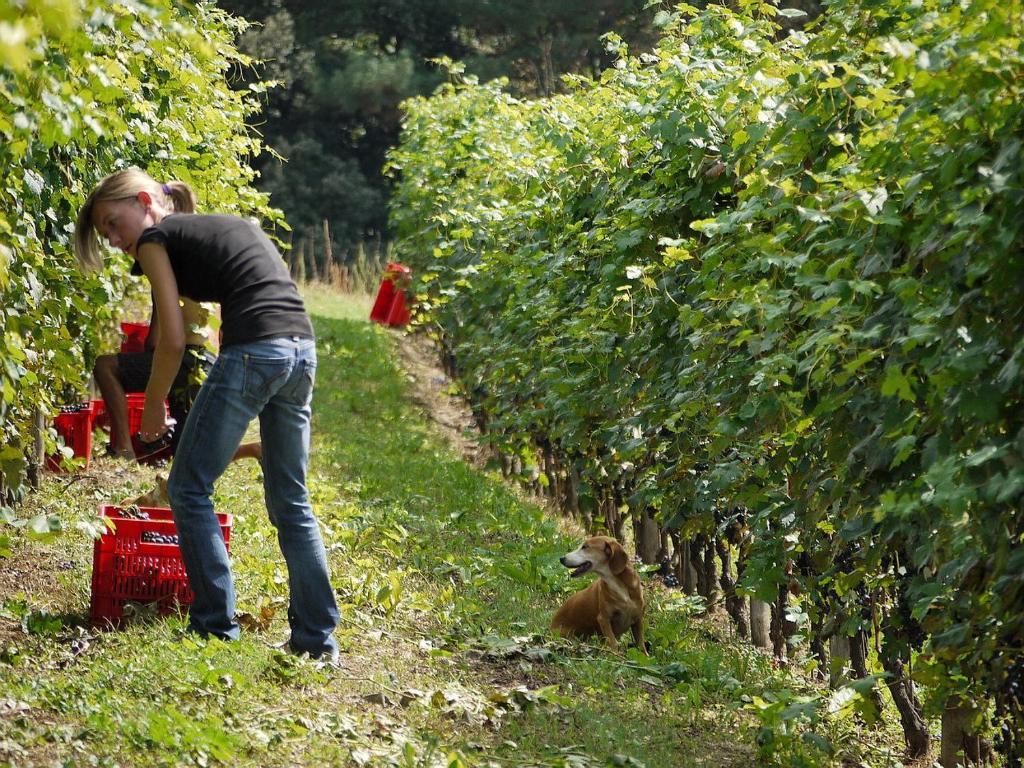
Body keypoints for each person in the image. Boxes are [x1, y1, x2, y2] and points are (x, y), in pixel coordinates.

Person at [75, 168, 339, 660]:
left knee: (188, 487)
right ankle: (316, 641)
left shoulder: (155, 237)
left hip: (257, 350)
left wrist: (153, 406)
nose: (113, 240)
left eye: (113, 224)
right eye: (104, 234)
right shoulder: (209, 227)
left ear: (143, 201)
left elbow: (173, 340)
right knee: (291, 501)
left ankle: (214, 625)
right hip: (301, 349)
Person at [94, 296, 263, 463]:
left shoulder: (168, 274)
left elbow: (154, 341)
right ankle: (253, 449)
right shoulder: (216, 280)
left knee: (105, 366)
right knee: (188, 452)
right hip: (209, 362)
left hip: (182, 359)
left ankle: (123, 449)